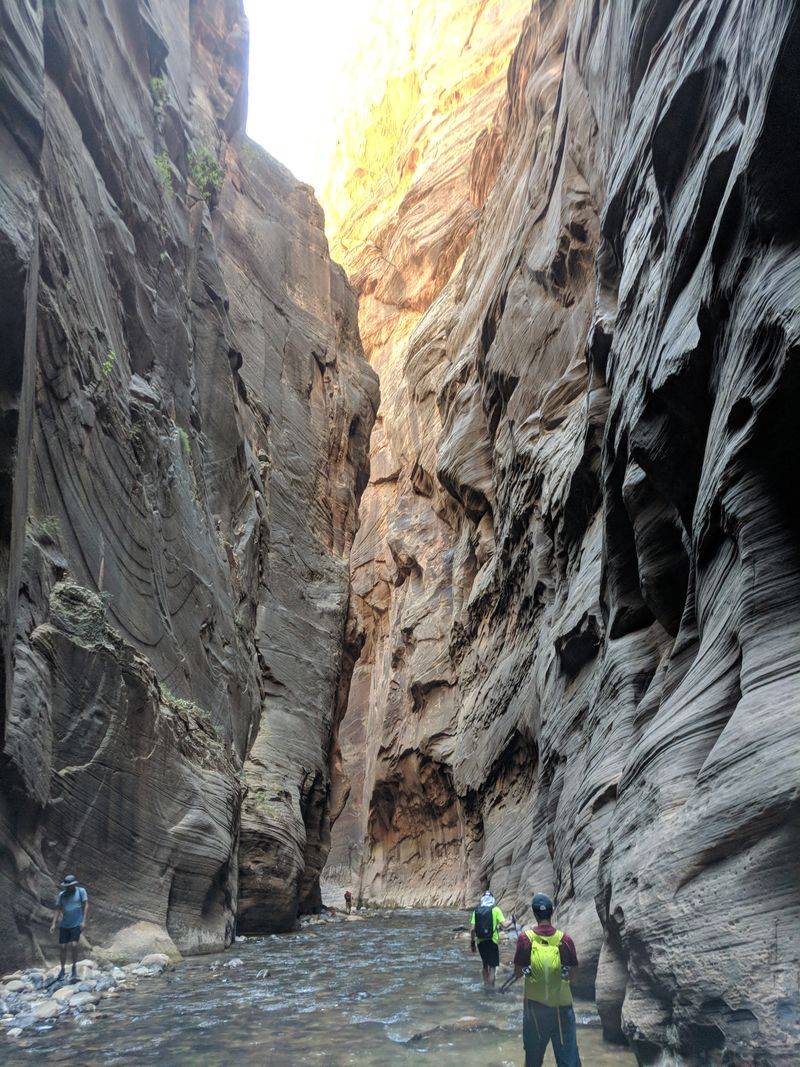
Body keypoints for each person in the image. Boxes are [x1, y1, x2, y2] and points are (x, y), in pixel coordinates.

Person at [513, 892, 581, 1067]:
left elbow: (518, 972)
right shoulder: (565, 940)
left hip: (535, 1010)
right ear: (551, 913)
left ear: (535, 914)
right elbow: (574, 976)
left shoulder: (524, 939)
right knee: (568, 1060)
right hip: (562, 1009)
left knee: (533, 1060)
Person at [50, 874, 89, 983]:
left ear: (74, 884)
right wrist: (53, 923)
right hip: (65, 924)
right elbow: (58, 909)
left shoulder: (81, 891)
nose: (69, 887)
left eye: (71, 885)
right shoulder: (62, 895)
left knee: (74, 945)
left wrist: (84, 921)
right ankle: (62, 969)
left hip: (76, 923)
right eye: (67, 886)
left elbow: (86, 905)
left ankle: (74, 968)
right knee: (62, 947)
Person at [470, 891, 510, 986]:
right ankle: (490, 989)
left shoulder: (476, 911)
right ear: (492, 899)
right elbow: (504, 925)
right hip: (492, 941)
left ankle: (485, 984)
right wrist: (512, 920)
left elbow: (472, 929)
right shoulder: (496, 909)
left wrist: (472, 943)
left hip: (480, 942)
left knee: (484, 965)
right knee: (492, 967)